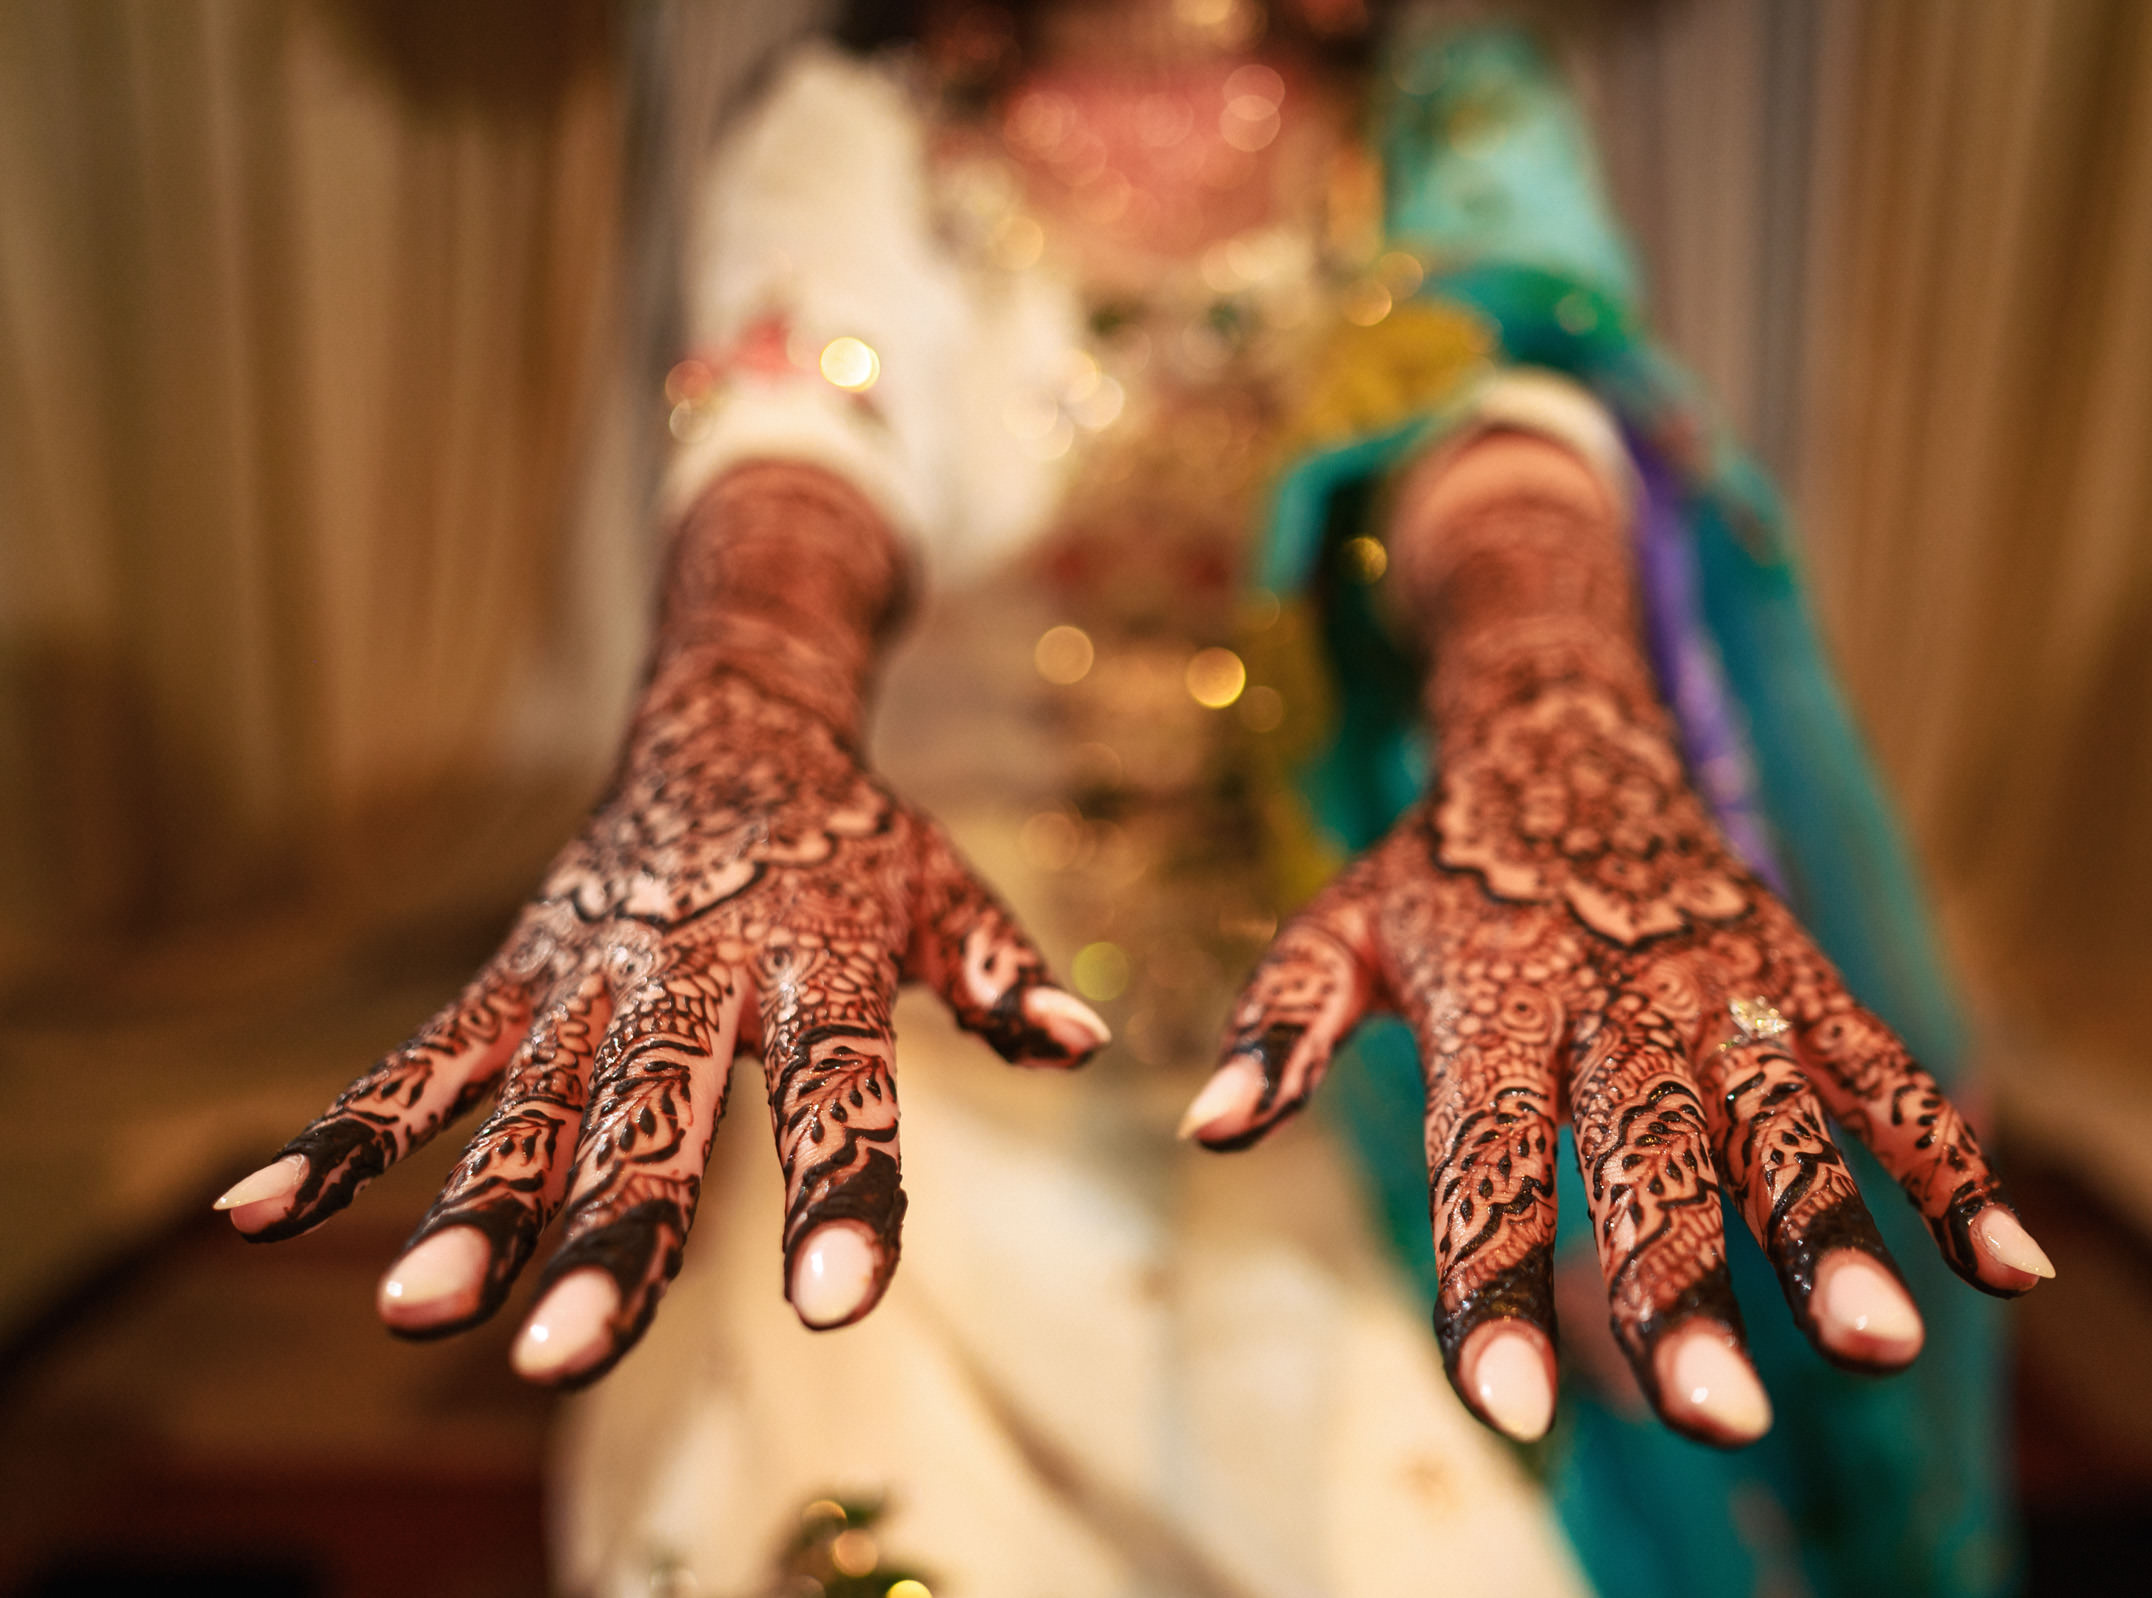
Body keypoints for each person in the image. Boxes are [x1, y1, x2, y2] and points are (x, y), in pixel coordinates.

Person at [212, 4, 2054, 1593]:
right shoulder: (859, 125)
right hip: (916, 1056)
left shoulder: (1448, 109)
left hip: (1331, 1041)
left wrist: (1549, 704)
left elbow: (1498, 416)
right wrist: (739, 702)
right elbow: (800, 434)